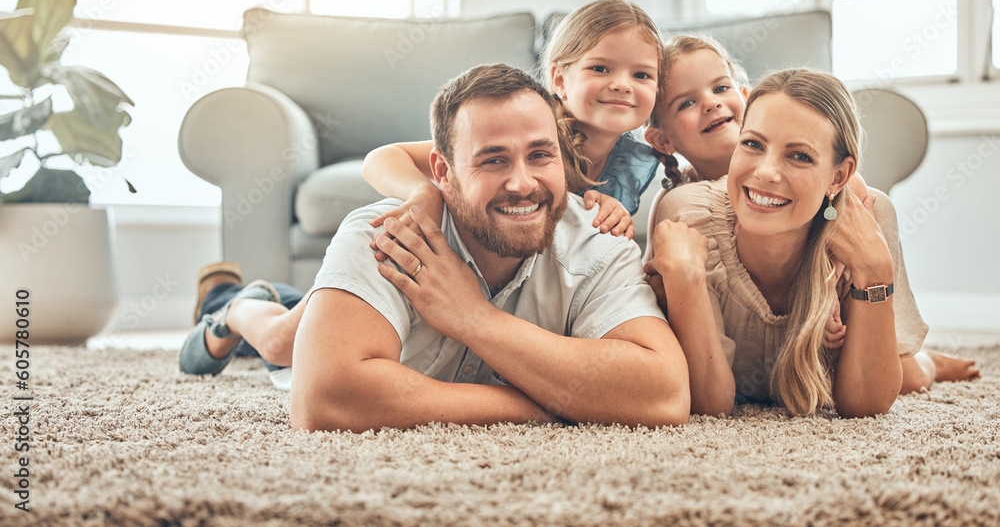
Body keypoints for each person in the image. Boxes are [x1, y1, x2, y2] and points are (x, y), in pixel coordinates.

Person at [181, 63, 691, 432]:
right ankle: (234, 307)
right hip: (304, 333)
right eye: (493, 161)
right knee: (276, 343)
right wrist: (542, 404)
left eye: (541, 155)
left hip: (377, 325)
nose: (522, 183)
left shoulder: (599, 243)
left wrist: (474, 318)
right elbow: (324, 401)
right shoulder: (389, 231)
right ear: (442, 173)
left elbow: (665, 394)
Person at [642, 35, 978, 396]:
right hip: (724, 337)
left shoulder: (843, 195)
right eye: (687, 102)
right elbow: (658, 271)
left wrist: (836, 283)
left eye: (720, 87)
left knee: (907, 374)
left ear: (743, 98)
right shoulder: (681, 205)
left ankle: (928, 361)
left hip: (815, 331)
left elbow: (851, 199)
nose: (710, 104)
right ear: (663, 140)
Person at [360, 0, 664, 245]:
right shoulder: (532, 133)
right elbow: (382, 158)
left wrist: (612, 215)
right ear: (559, 79)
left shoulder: (631, 160)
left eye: (641, 75)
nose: (622, 85)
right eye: (600, 68)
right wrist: (422, 193)